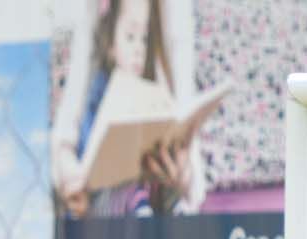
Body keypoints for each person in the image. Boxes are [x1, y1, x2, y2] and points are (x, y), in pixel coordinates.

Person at [51, 0, 201, 217]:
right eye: (130, 38)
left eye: (144, 39)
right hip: (103, 200)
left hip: (149, 189)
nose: (139, 49)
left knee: (166, 195)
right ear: (111, 45)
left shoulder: (152, 88)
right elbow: (83, 152)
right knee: (132, 193)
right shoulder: (99, 92)